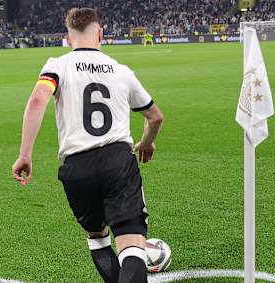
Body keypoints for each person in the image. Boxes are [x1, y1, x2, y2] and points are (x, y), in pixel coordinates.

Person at [11, 8, 164, 283]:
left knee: (97, 237)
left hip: (77, 167)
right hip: (117, 161)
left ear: (68, 39)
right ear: (101, 34)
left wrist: (25, 154)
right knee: (131, 242)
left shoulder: (58, 65)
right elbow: (155, 116)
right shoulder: (121, 71)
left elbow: (37, 101)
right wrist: (146, 142)